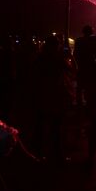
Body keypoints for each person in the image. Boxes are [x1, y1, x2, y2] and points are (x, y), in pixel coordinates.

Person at [30, 35, 71, 163]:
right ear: (56, 45)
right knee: (56, 126)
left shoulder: (39, 58)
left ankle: (38, 153)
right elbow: (73, 69)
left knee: (40, 125)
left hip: (41, 94)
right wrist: (70, 56)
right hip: (56, 94)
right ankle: (57, 154)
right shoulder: (58, 58)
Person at [74, 26, 96, 108]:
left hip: (81, 66)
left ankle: (79, 104)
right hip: (90, 66)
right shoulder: (93, 41)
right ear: (91, 32)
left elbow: (75, 54)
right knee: (90, 86)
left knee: (80, 87)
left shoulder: (78, 40)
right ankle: (89, 104)